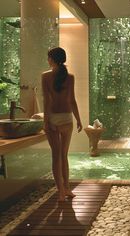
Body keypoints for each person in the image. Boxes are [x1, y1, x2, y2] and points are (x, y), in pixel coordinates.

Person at [42, 47, 82, 201]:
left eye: (48, 57)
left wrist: (46, 122)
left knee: (56, 156)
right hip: (67, 118)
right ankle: (67, 189)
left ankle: (61, 191)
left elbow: (47, 101)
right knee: (63, 156)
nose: (48, 60)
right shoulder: (70, 77)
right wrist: (78, 119)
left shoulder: (45, 77)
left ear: (52, 59)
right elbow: (72, 100)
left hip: (53, 117)